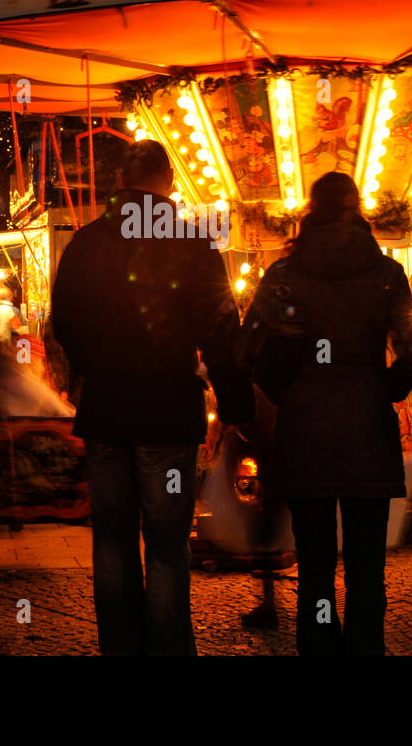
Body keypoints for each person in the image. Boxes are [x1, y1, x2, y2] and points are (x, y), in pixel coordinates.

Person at [51, 140, 253, 655]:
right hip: (167, 411)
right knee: (166, 546)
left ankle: (120, 646)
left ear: (121, 181)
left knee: (112, 541)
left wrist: (88, 371)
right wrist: (234, 408)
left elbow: (64, 323)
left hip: (106, 410)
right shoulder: (193, 242)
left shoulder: (86, 244)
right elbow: (222, 331)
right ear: (168, 183)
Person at [239, 171, 412, 655]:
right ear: (355, 208)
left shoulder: (282, 276)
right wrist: (381, 387)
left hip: (305, 430)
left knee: (316, 565)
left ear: (311, 210)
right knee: (367, 568)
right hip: (367, 428)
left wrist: (287, 392)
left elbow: (250, 350)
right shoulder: (386, 273)